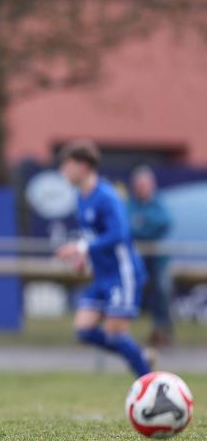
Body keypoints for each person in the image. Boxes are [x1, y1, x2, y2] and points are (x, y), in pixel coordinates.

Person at [55, 140, 151, 377]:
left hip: (122, 273)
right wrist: (83, 258)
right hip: (102, 276)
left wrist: (81, 247)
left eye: (66, 165)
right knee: (84, 330)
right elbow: (94, 237)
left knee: (116, 334)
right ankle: (140, 356)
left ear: (83, 166)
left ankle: (151, 382)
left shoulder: (107, 196)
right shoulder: (81, 196)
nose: (62, 171)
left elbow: (119, 234)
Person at [128, 165, 173, 347]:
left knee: (162, 290)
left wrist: (141, 225)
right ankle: (123, 334)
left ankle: (162, 330)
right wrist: (145, 227)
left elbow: (164, 223)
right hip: (136, 259)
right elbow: (127, 227)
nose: (142, 188)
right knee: (129, 290)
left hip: (157, 259)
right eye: (139, 184)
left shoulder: (159, 203)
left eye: (145, 184)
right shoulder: (130, 204)